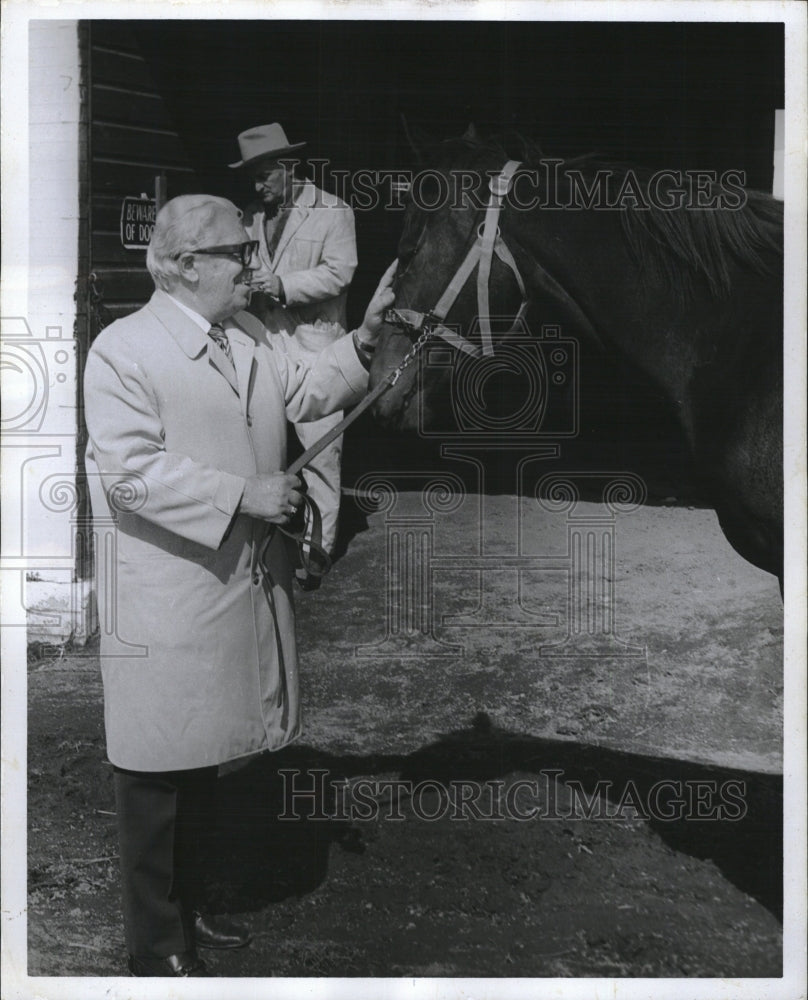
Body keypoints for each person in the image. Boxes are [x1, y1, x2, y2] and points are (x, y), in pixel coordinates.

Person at [83, 193, 395, 977]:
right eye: (239, 254)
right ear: (187, 265)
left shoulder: (248, 335)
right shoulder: (123, 351)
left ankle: (191, 908)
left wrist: (365, 339)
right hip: (169, 593)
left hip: (230, 584)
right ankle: (155, 946)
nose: (255, 265)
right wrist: (240, 494)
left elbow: (306, 392)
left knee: (206, 754)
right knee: (156, 769)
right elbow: (127, 476)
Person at [230, 122, 358, 587]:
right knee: (264, 440)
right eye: (253, 178)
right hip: (265, 341)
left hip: (314, 347)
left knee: (321, 450)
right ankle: (271, 539)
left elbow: (340, 273)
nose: (258, 186)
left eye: (264, 175)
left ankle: (319, 549)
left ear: (288, 167)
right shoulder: (250, 216)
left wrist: (284, 285)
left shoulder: (333, 210)